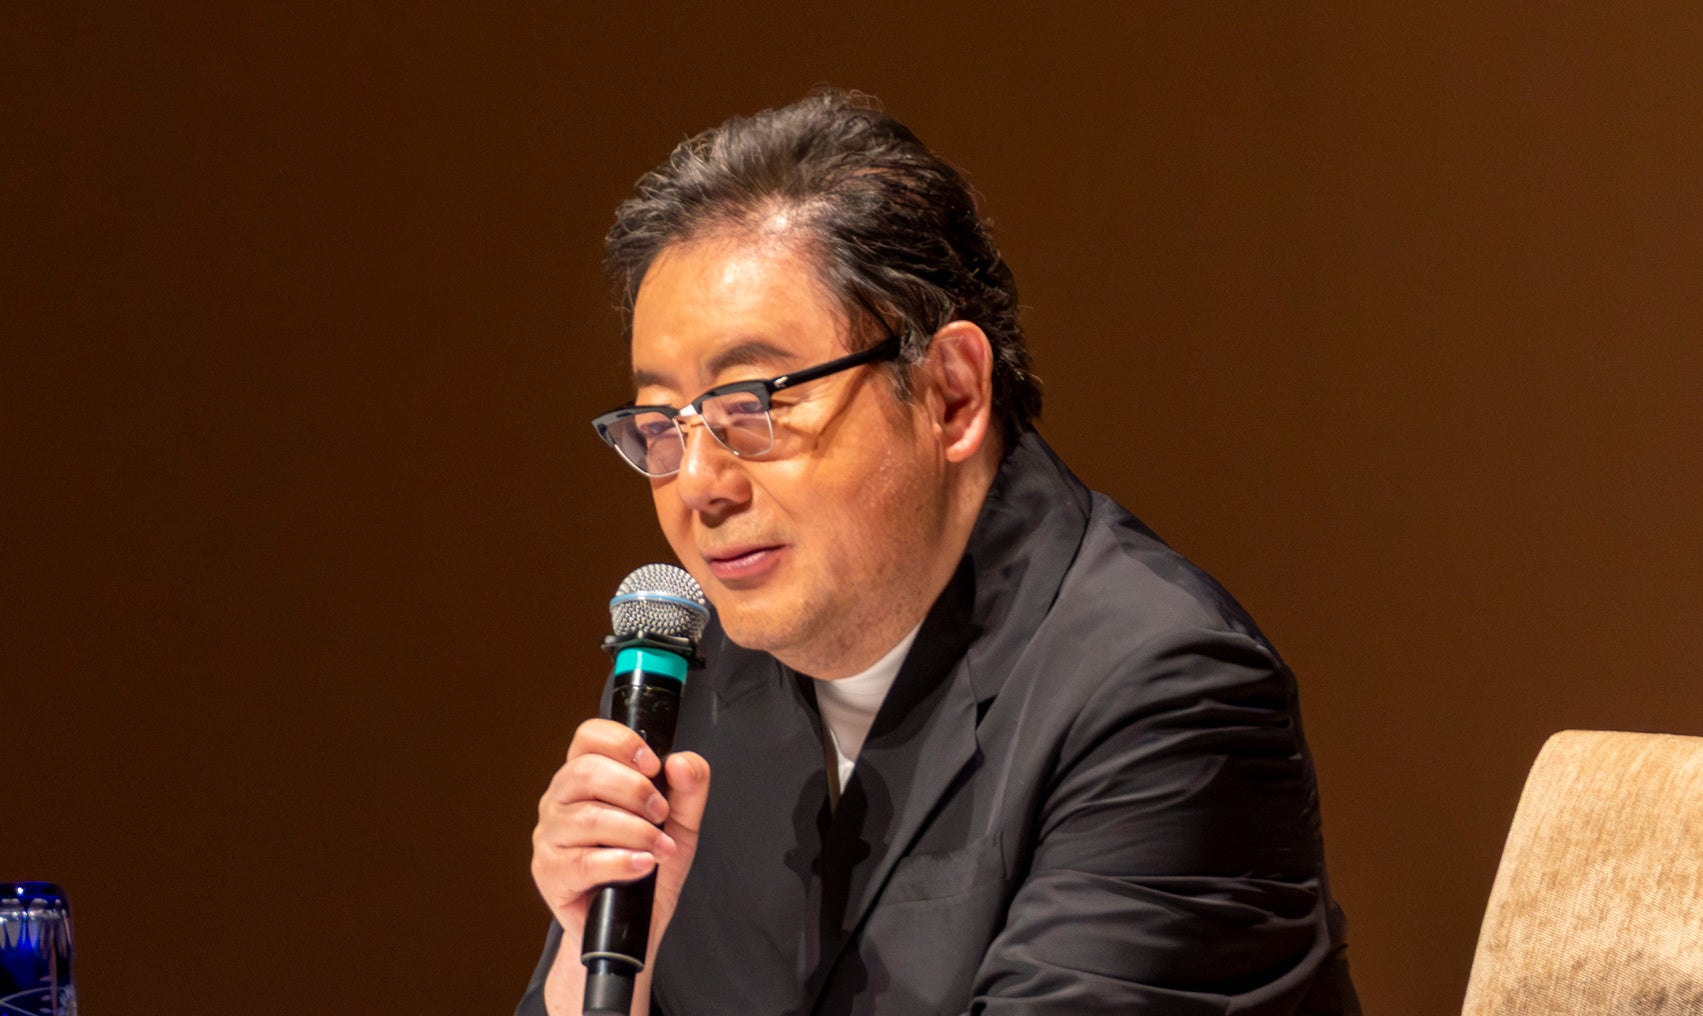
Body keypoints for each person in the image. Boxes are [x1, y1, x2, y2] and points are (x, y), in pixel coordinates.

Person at [519, 90, 1359, 1015]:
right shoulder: (687, 683)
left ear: (951, 394)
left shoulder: (1162, 692)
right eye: (660, 426)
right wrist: (594, 979)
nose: (697, 485)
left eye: (751, 407)